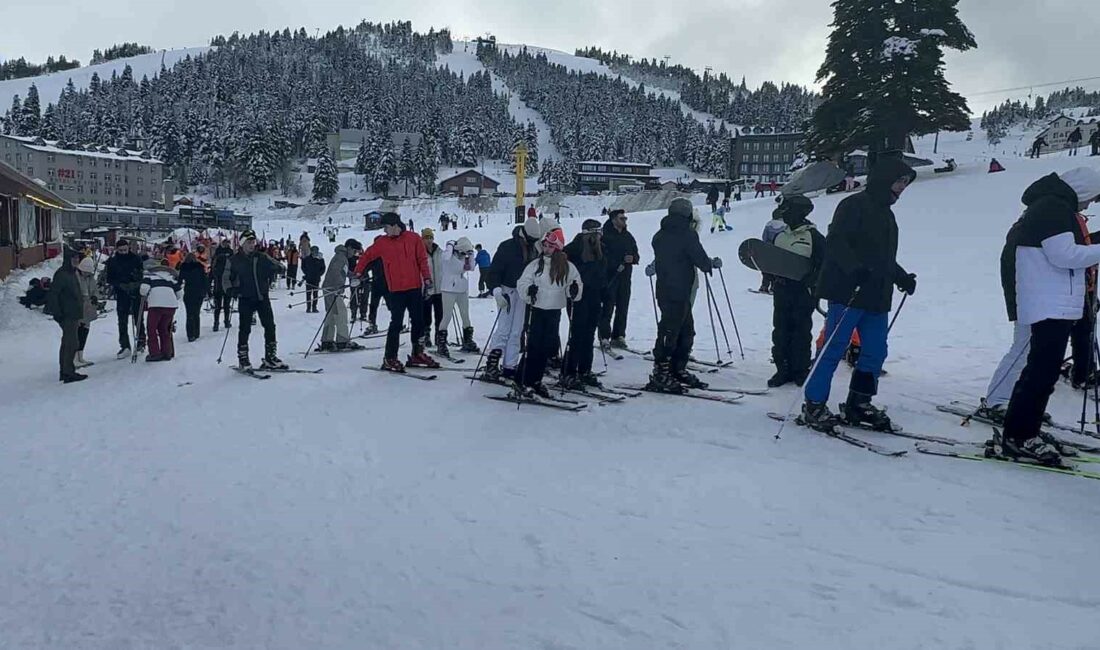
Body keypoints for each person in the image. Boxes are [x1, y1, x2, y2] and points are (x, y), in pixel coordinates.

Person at [801, 157, 918, 432]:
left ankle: (859, 403)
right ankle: (814, 404)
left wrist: (901, 277)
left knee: (876, 351)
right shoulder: (853, 205)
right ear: (884, 178)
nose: (902, 187)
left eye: (906, 183)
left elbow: (884, 258)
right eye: (900, 181)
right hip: (848, 292)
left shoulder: (887, 215)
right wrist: (854, 270)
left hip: (877, 297)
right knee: (833, 348)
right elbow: (837, 242)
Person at [996, 167, 1100, 463]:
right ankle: (1019, 436)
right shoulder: (1052, 207)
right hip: (1047, 303)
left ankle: (1026, 430)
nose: (1090, 205)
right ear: (1081, 189)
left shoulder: (1053, 206)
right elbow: (1064, 255)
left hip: (1054, 301)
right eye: (1091, 198)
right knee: (1039, 372)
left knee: (1043, 372)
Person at [647, 198, 718, 393]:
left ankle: (675, 368)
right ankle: (662, 372)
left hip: (665, 289)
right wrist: (709, 264)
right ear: (687, 214)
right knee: (674, 331)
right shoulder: (688, 235)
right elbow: (698, 256)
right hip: (679, 290)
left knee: (679, 330)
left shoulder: (659, 235)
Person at [352, 212, 438, 371]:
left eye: (386, 227)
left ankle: (417, 354)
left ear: (394, 225)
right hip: (396, 290)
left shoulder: (413, 239)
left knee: (418, 322)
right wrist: (357, 273)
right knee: (396, 324)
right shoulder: (382, 243)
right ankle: (390, 357)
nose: (384, 231)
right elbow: (366, 256)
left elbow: (422, 260)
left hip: (414, 288)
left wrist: (427, 279)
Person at [515, 229, 583, 398]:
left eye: (550, 246)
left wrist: (574, 290)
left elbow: (575, 286)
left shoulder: (567, 267)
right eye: (545, 245)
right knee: (533, 347)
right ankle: (523, 380)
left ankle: (536, 381)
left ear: (558, 247)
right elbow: (522, 282)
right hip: (537, 309)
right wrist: (528, 290)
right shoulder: (535, 265)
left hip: (554, 310)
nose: (546, 249)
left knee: (546, 348)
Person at [767, 196, 826, 388]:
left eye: (788, 211)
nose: (785, 215)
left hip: (803, 292)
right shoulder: (780, 236)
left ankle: (800, 370)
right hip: (782, 290)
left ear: (800, 213)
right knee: (781, 329)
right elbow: (772, 261)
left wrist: (814, 279)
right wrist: (768, 276)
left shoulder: (814, 237)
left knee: (801, 331)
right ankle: (782, 369)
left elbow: (824, 264)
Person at [484, 217, 542, 381]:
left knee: (517, 330)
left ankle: (510, 365)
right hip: (507, 290)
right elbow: (494, 270)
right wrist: (496, 291)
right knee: (504, 328)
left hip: (522, 292)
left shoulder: (535, 249)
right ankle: (492, 365)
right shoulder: (507, 247)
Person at [229, 229, 287, 370]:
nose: (252, 244)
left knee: (270, 326)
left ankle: (270, 357)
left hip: (262, 297)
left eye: (253, 242)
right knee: (245, 329)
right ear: (242, 244)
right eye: (249, 242)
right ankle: (243, 359)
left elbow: (278, 265)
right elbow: (226, 278)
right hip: (246, 298)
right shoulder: (234, 260)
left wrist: (277, 268)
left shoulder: (261, 257)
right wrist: (231, 290)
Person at [561, 219, 608, 388]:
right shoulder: (573, 249)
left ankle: (584, 370)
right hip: (577, 297)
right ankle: (569, 371)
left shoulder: (601, 249)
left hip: (594, 296)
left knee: (589, 334)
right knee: (577, 334)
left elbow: (603, 273)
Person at [599, 209, 639, 350]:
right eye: (622, 218)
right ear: (614, 219)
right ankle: (604, 336)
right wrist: (617, 263)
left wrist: (632, 258)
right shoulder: (604, 236)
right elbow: (602, 257)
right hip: (610, 277)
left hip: (625, 278)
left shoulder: (628, 236)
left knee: (623, 307)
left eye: (625, 218)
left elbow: (636, 254)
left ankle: (619, 336)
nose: (624, 221)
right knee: (607, 308)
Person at [47, 249, 87, 383]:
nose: (76, 260)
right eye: (74, 258)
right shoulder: (62, 274)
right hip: (66, 314)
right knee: (71, 343)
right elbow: (54, 294)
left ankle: (65, 371)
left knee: (68, 343)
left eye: (77, 258)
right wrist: (57, 313)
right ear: (68, 260)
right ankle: (68, 372)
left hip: (72, 313)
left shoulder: (72, 273)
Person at [318, 239, 365, 352]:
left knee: (332, 314)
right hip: (333, 289)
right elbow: (335, 272)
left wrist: (354, 275)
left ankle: (327, 341)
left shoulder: (341, 257)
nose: (354, 254)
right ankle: (342, 341)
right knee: (341, 313)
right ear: (349, 248)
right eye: (354, 251)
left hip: (330, 288)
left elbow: (342, 271)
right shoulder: (341, 257)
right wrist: (338, 286)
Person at [438, 237, 480, 357]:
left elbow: (471, 267)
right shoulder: (448, 256)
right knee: (447, 316)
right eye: (463, 252)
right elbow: (445, 258)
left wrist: (471, 255)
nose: (464, 255)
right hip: (448, 289)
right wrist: (450, 244)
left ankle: (467, 340)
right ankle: (441, 343)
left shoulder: (464, 258)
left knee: (465, 315)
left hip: (461, 288)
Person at [104, 238, 145, 358]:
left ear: (129, 248)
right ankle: (125, 345)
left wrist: (136, 283)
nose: (123, 252)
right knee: (122, 321)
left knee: (138, 318)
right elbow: (109, 278)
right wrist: (120, 285)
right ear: (117, 249)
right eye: (121, 250)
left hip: (135, 292)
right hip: (121, 293)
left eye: (125, 250)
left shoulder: (136, 258)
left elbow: (142, 274)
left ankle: (141, 342)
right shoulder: (112, 261)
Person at [139, 257, 181, 362]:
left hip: (156, 304)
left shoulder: (149, 276)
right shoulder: (171, 278)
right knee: (164, 329)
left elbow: (143, 290)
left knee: (151, 329)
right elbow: (180, 294)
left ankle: (155, 353)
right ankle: (167, 352)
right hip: (171, 305)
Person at [74, 256, 101, 369]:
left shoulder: (90, 278)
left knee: (85, 332)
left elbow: (95, 289)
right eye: (84, 272)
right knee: (77, 332)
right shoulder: (75, 277)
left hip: (88, 308)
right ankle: (74, 357)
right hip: (78, 308)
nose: (86, 274)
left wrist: (95, 297)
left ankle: (81, 355)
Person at [421, 228, 445, 349]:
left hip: (440, 289)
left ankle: (439, 336)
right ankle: (426, 335)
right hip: (426, 289)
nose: (429, 240)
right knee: (426, 315)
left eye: (430, 238)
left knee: (440, 314)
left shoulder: (439, 252)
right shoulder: (420, 253)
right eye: (426, 238)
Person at [179, 253, 207, 342]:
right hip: (199, 292)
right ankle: (196, 332)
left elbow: (179, 280)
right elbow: (204, 279)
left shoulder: (183, 267)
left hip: (189, 292)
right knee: (196, 313)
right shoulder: (199, 267)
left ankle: (190, 334)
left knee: (189, 313)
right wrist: (207, 290)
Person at [758, 211, 788, 294]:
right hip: (778, 250)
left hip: (768, 250)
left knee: (766, 269)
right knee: (777, 269)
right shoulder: (785, 226)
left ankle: (764, 286)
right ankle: (774, 287)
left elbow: (764, 237)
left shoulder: (768, 225)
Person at [210, 239, 234, 331]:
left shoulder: (230, 252)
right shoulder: (218, 253)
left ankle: (226, 321)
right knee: (218, 306)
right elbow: (213, 267)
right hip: (219, 283)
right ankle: (216, 323)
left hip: (227, 282)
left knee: (226, 305)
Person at [300, 245, 325, 313]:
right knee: (308, 294)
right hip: (309, 278)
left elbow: (323, 268)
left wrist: (319, 274)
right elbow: (303, 267)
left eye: (316, 251)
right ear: (311, 251)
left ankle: (314, 307)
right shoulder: (307, 259)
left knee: (315, 294)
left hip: (316, 279)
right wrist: (306, 273)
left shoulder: (320, 259)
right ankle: (308, 307)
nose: (315, 252)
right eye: (313, 251)